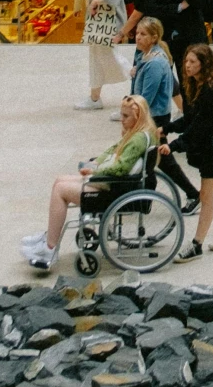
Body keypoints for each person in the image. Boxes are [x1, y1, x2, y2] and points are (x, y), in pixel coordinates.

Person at [19, 95, 157, 273]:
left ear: (137, 116)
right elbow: (113, 150)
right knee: (59, 180)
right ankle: (49, 237)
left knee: (60, 189)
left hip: (112, 186)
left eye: (125, 116)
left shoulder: (137, 139)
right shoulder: (141, 133)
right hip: (114, 182)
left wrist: (95, 172)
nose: (121, 120)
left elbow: (121, 168)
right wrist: (96, 164)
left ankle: (50, 248)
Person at [168, 43, 213, 257]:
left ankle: (197, 244)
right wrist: (168, 128)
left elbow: (200, 126)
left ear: (203, 64)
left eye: (192, 62)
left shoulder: (211, 89)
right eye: (186, 61)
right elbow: (190, 119)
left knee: (206, 196)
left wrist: (174, 145)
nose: (187, 66)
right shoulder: (198, 84)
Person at [75, 0, 129, 110]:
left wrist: (96, 1)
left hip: (107, 23)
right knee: (98, 58)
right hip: (105, 24)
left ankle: (136, 75)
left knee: (107, 57)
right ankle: (94, 97)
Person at [129, 15, 176, 129]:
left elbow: (147, 97)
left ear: (154, 38)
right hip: (148, 113)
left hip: (154, 117)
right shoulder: (144, 55)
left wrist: (133, 113)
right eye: (137, 33)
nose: (138, 37)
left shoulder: (155, 63)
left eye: (143, 34)